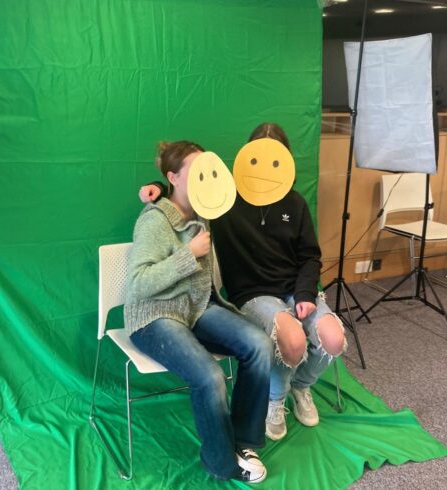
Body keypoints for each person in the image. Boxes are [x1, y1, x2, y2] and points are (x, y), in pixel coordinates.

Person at [139, 124, 347, 442]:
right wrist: (158, 187)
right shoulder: (225, 200)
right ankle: (275, 401)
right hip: (253, 293)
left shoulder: (295, 203)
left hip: (295, 288)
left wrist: (305, 293)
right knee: (292, 340)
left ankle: (300, 387)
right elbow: (190, 187)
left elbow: (309, 256)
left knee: (332, 338)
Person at [125, 140, 272, 483]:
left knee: (260, 345)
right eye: (197, 172)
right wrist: (188, 254)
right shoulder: (154, 220)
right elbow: (138, 284)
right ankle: (221, 463)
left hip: (196, 308)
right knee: (209, 376)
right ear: (174, 178)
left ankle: (244, 442)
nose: (207, 179)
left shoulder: (205, 211)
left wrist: (160, 186)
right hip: (154, 316)